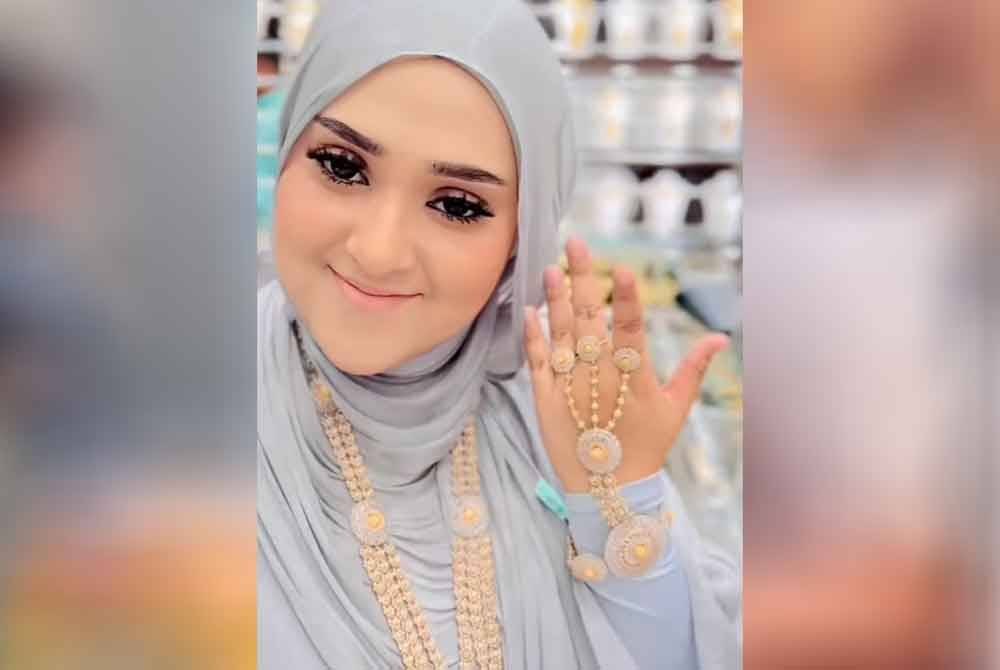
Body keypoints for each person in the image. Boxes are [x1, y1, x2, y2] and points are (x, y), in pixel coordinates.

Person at [257, 2, 738, 668]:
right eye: (342, 166)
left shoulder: (565, 418)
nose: (378, 251)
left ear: (522, 235)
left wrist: (617, 502)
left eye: (457, 205)